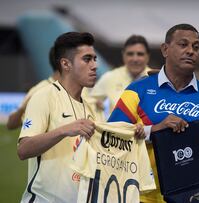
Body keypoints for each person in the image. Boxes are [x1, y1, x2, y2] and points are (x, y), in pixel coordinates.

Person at [108, 24, 199, 203]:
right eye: (183, 44)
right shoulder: (137, 90)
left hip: (190, 199)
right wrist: (155, 130)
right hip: (138, 196)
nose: (191, 51)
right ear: (165, 49)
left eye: (196, 47)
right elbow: (111, 137)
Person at [17, 32, 98, 203]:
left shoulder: (90, 106)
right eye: (87, 59)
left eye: (95, 59)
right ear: (66, 64)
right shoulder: (44, 96)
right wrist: (64, 130)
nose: (94, 65)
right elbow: (23, 150)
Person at [91, 35, 152, 115]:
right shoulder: (110, 77)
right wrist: (95, 105)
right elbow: (90, 102)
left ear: (148, 56)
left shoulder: (156, 79)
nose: (135, 59)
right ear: (123, 55)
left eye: (140, 54)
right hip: (116, 127)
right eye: (130, 54)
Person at [6, 47, 60, 130]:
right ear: (65, 63)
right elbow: (11, 124)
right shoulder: (38, 91)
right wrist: (23, 108)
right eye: (85, 60)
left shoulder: (82, 89)